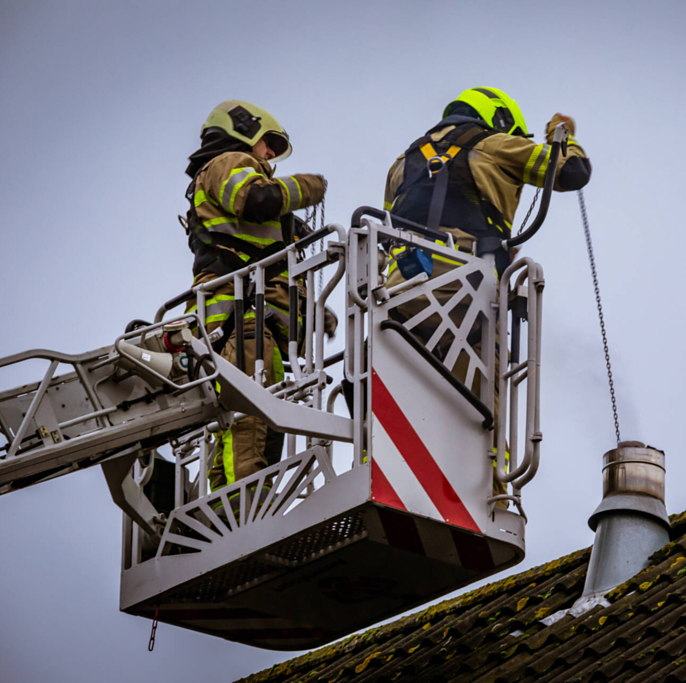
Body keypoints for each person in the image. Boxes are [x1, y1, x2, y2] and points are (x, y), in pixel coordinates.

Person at [382, 87, 592, 495]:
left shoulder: (402, 162)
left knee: (407, 389)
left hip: (399, 289)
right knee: (479, 406)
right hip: (463, 286)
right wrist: (561, 136)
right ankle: (490, 493)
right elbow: (571, 172)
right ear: (499, 121)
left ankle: (404, 480)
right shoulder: (496, 144)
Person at [183, 100, 334, 502]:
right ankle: (244, 503)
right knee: (251, 422)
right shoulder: (228, 162)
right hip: (243, 321)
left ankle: (231, 502)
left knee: (250, 422)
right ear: (243, 131)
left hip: (250, 322)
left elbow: (271, 264)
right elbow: (254, 198)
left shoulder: (230, 177)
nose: (269, 155)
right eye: (268, 144)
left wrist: (317, 312)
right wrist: (309, 186)